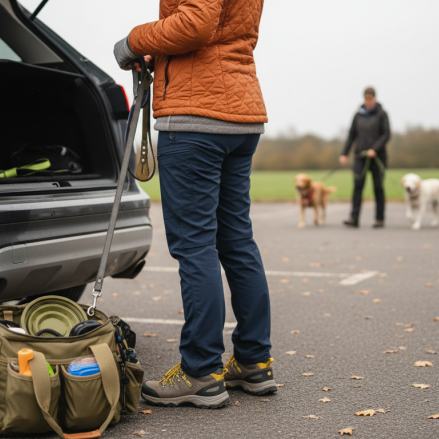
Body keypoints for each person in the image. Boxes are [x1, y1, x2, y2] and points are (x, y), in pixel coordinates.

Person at [113, 0, 275, 409]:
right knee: (237, 241)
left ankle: (200, 370)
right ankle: (254, 362)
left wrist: (133, 41)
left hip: (195, 118)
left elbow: (196, 25)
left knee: (195, 245)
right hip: (239, 112)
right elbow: (218, 30)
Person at [339, 86, 391, 228]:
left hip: (378, 157)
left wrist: (375, 149)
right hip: (360, 156)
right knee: (357, 187)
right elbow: (351, 135)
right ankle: (354, 218)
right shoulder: (358, 115)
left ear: (375, 98)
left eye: (370, 98)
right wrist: (344, 153)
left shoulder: (382, 114)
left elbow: (386, 134)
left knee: (378, 187)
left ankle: (379, 219)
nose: (368, 101)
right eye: (366, 98)